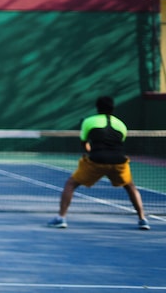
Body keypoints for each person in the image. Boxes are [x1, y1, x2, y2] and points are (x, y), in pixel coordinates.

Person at [48, 95, 151, 230]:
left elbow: (84, 142)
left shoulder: (89, 121)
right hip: (119, 161)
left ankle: (61, 218)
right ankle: (143, 219)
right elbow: (118, 143)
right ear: (113, 108)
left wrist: (91, 152)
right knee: (130, 187)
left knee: (71, 184)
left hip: (96, 160)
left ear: (97, 108)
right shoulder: (121, 125)